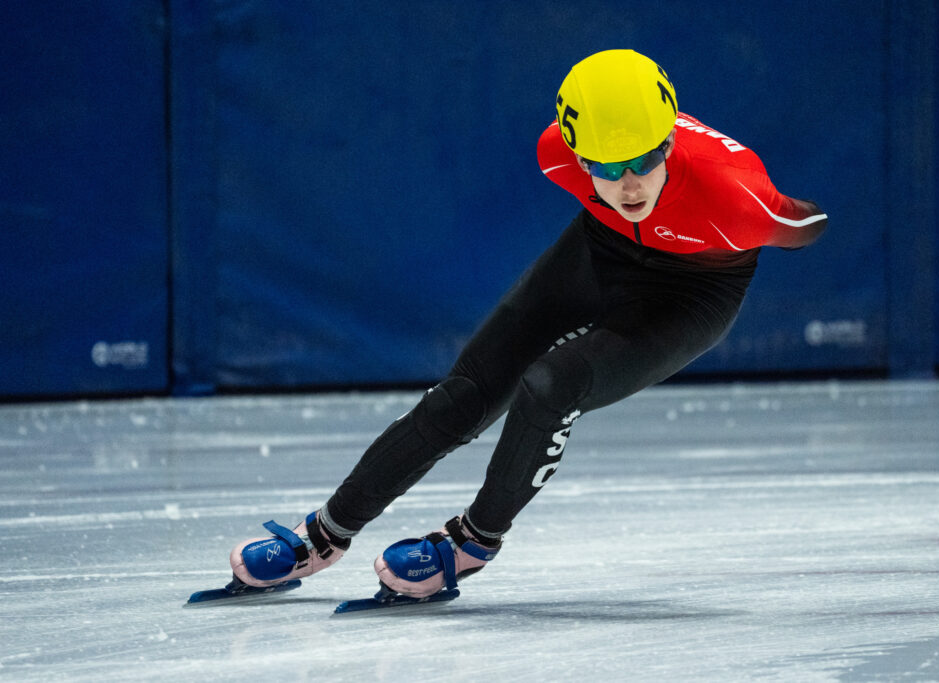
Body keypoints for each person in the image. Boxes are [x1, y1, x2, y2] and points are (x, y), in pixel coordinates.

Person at [227, 49, 828, 598]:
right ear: (577, 153)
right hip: (600, 252)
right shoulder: (555, 154)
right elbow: (617, 194)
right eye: (607, 164)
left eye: (646, 157)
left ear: (669, 141)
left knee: (550, 385)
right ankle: (323, 535)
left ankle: (472, 543)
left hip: (693, 290)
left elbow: (808, 224)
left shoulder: (738, 201)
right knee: (460, 397)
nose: (628, 182)